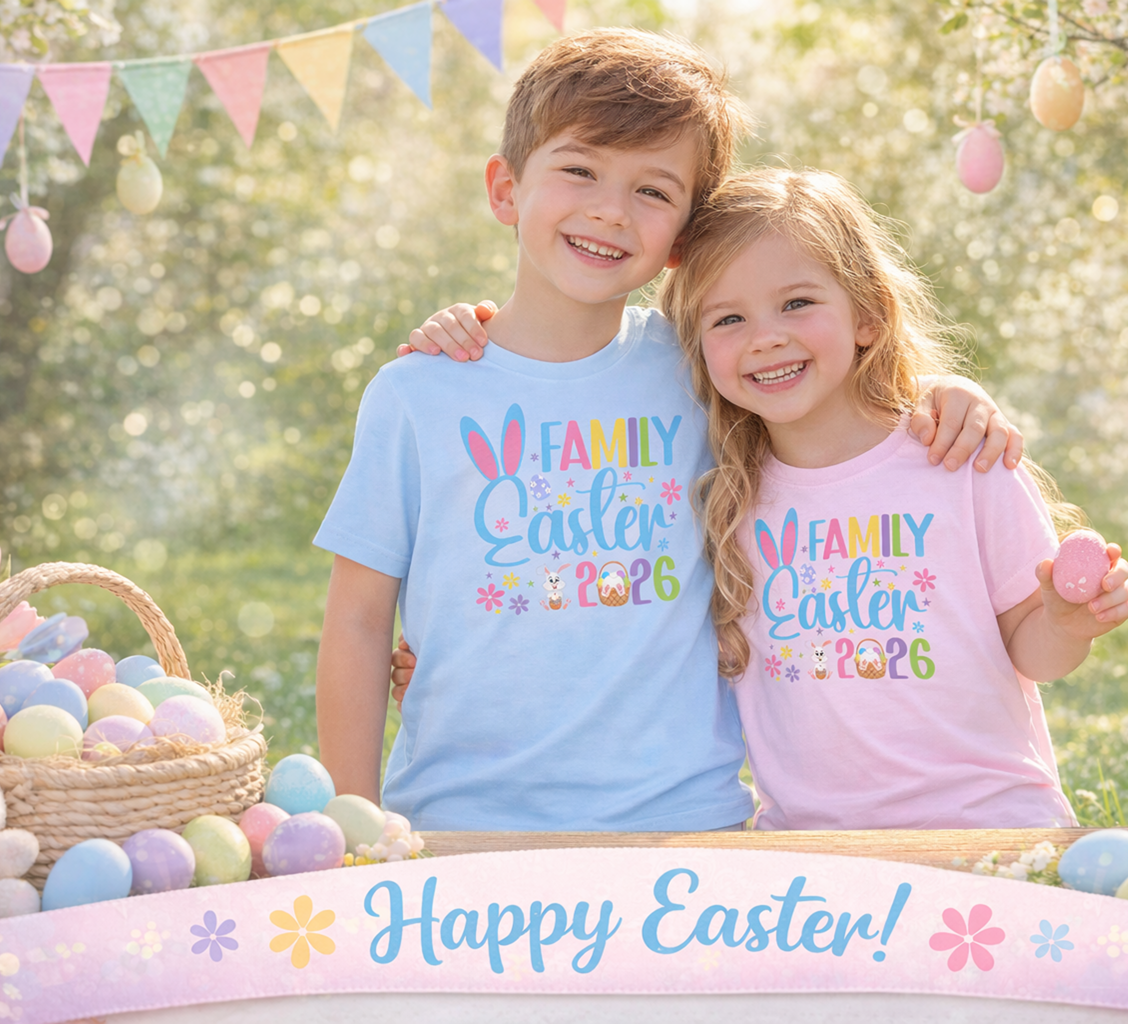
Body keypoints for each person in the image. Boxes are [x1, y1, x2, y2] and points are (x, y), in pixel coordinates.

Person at [316, 29, 1021, 831]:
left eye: (653, 191)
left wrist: (941, 390)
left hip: (686, 820)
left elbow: (825, 388)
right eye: (579, 170)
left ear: (684, 237)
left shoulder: (701, 362)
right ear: (506, 188)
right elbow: (360, 621)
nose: (610, 211)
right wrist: (351, 821)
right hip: (459, 820)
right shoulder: (417, 394)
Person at [655, 167, 1128, 829]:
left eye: (797, 303)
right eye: (729, 318)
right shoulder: (719, 496)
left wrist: (1065, 622)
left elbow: (1033, 651)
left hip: (991, 831)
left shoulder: (962, 459)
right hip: (819, 855)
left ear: (869, 315)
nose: (765, 336)